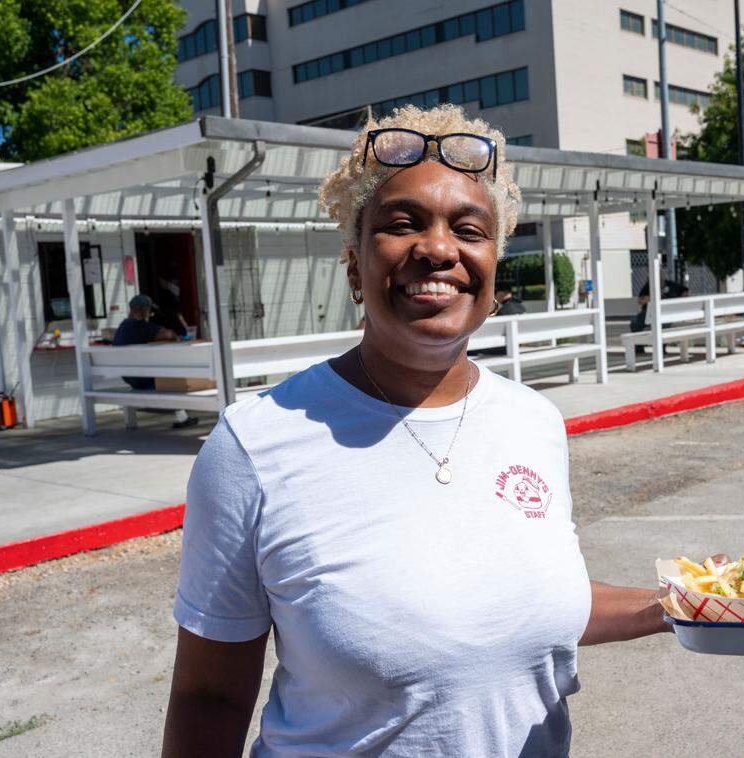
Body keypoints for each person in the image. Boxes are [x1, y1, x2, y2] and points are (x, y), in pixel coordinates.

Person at [162, 105, 670, 758]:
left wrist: (675, 604)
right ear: (353, 266)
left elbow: (522, 603)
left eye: (469, 228)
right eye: (402, 224)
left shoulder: (533, 423)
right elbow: (210, 699)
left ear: (492, 276)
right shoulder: (255, 446)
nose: (437, 248)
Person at [112, 294, 198, 429]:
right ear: (141, 310)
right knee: (172, 378)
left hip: (129, 377)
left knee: (166, 374)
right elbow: (168, 334)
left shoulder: (123, 327)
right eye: (148, 309)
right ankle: (183, 417)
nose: (150, 313)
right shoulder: (142, 327)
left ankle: (183, 417)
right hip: (143, 378)